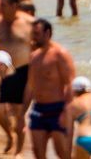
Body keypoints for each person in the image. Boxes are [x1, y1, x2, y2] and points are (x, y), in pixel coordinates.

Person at [26, 17, 76, 159]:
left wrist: (66, 111)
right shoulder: (34, 56)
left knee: (62, 153)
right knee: (38, 152)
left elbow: (70, 84)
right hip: (38, 109)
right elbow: (30, 86)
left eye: (36, 34)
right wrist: (21, 113)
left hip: (57, 109)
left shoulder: (60, 54)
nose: (33, 38)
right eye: (32, 34)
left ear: (47, 33)